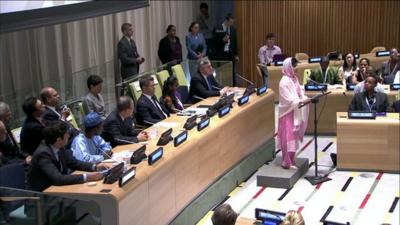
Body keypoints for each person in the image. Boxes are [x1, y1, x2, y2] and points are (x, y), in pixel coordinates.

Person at [27, 121, 110, 192]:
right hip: (42, 197)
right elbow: (58, 178)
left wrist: (95, 167)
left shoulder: (58, 146)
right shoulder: (43, 153)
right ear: (59, 139)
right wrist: (87, 177)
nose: (69, 136)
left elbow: (74, 163)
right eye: (67, 134)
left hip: (58, 191)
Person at [277, 58, 310, 169]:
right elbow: (288, 100)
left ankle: (292, 159)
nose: (297, 68)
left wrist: (303, 97)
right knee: (288, 138)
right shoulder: (284, 81)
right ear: (289, 67)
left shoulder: (294, 79)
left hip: (295, 112)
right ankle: (286, 162)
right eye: (295, 66)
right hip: (287, 113)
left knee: (294, 138)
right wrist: (301, 101)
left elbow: (299, 92)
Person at [214, 13, 239, 86]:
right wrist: (222, 40)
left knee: (232, 72)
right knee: (222, 73)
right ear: (226, 20)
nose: (231, 24)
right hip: (221, 54)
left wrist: (236, 54)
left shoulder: (233, 29)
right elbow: (214, 43)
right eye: (230, 22)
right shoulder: (218, 28)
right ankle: (222, 87)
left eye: (232, 22)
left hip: (230, 54)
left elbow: (235, 42)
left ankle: (233, 87)